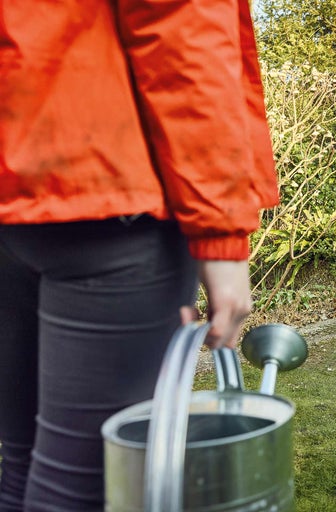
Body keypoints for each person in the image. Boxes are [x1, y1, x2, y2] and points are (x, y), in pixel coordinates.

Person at [0, 1, 279, 510]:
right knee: (92, 487)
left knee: (23, 466)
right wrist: (221, 231)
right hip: (107, 186)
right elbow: (180, 22)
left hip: (17, 177)